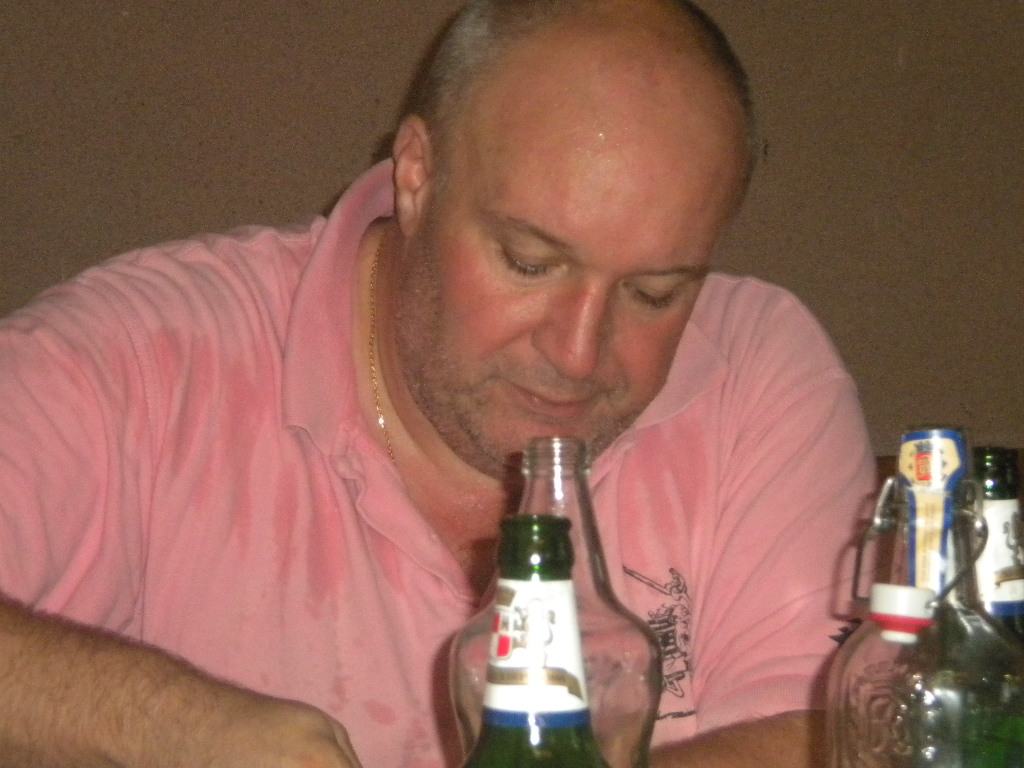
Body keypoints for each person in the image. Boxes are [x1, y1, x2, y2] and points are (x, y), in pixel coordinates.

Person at [0, 0, 876, 766]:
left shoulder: (756, 371)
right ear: (416, 174)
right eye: (529, 262)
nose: (577, 355)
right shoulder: (137, 362)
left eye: (655, 293)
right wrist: (170, 727)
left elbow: (830, 730)